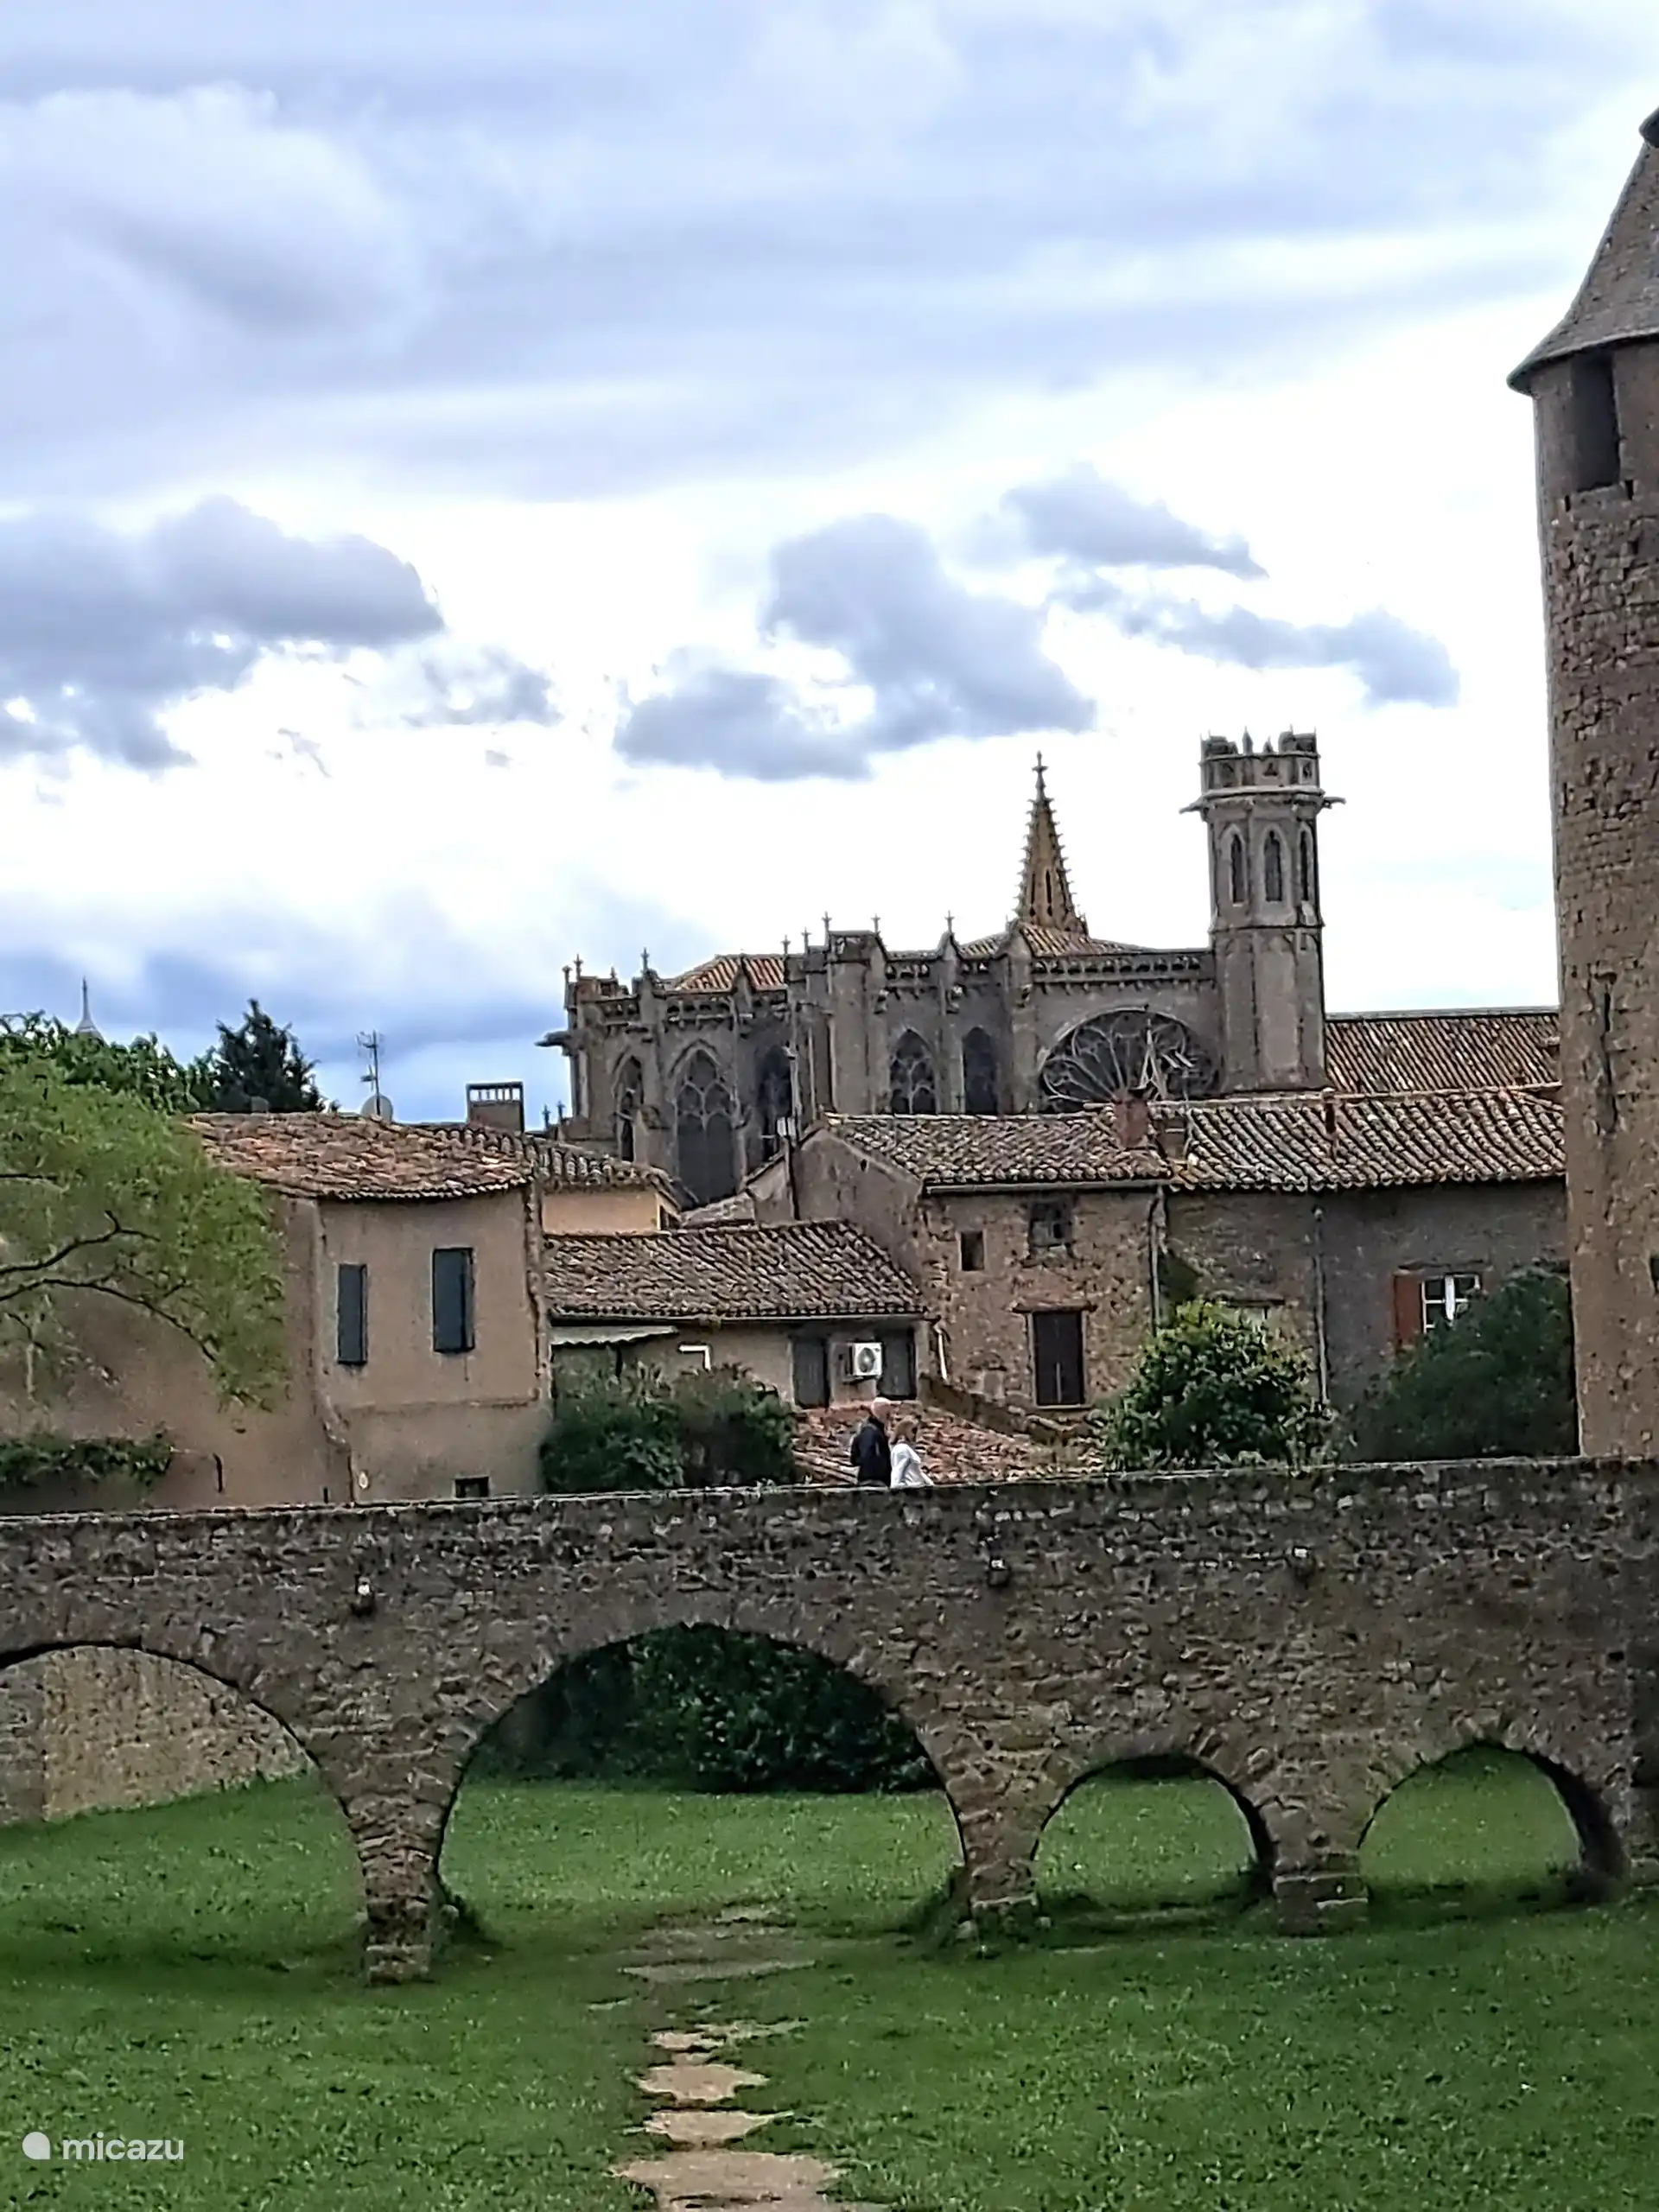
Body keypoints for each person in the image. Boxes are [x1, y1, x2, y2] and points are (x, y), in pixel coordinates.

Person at [849, 1397, 892, 1486]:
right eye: (888, 1414)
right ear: (881, 1412)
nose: (891, 1417)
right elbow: (868, 1457)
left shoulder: (875, 1430)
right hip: (873, 1482)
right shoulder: (870, 1432)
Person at [888, 1414, 931, 1489]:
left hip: (917, 1489)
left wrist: (929, 1484)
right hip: (910, 1491)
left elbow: (917, 1471)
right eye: (914, 1430)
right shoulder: (902, 1449)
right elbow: (898, 1471)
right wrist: (898, 1488)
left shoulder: (907, 1449)